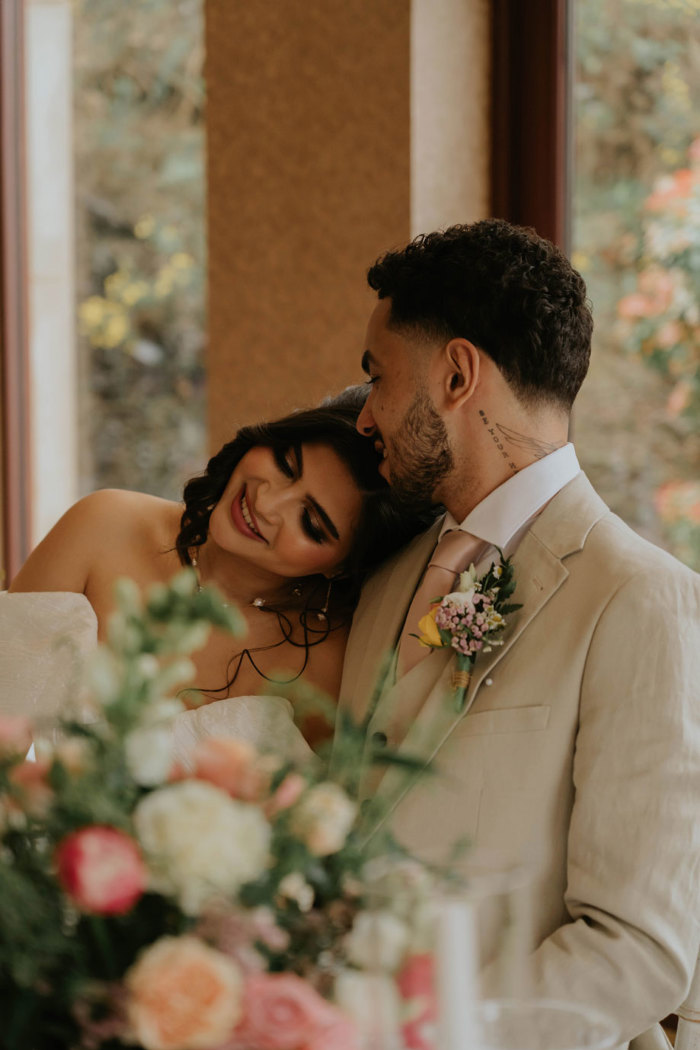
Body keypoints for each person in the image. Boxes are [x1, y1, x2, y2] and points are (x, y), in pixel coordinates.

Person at [336, 219, 700, 1049]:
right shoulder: (388, 580)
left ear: (458, 374)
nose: (364, 418)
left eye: (378, 379)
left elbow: (637, 946)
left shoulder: (641, 600)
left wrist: (424, 1036)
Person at [5, 388, 428, 750]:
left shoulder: (330, 668)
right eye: (284, 465)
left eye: (311, 523)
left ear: (342, 567)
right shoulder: (105, 524)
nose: (266, 502)